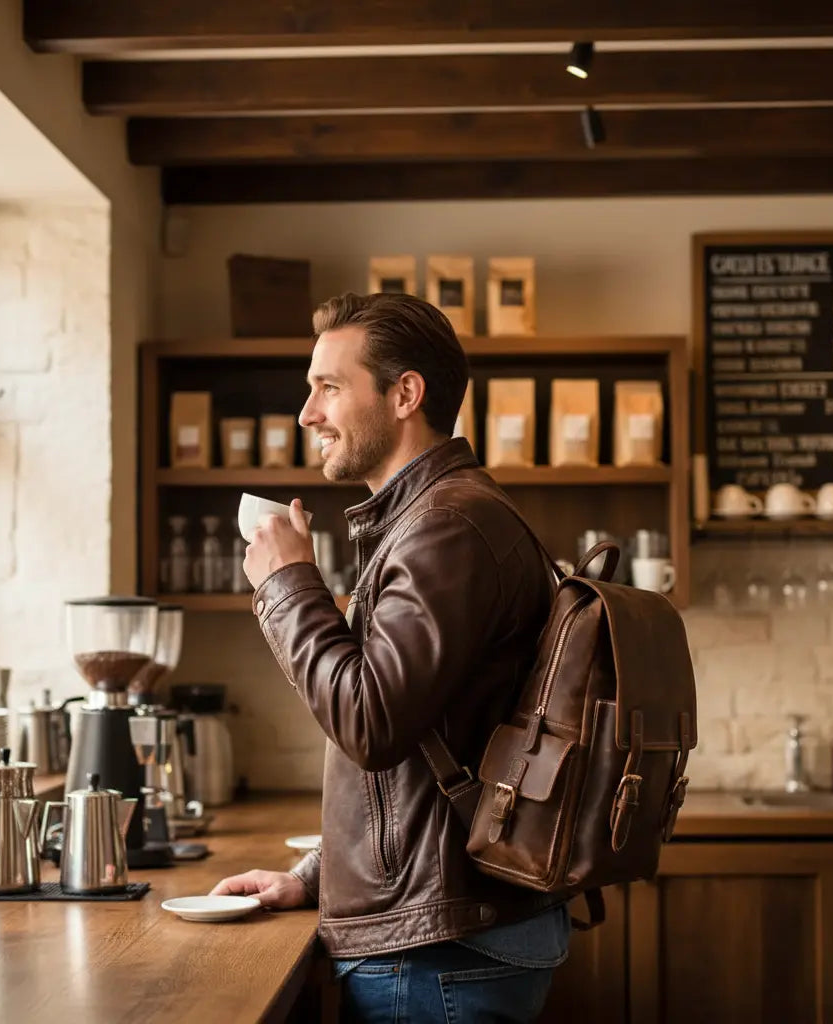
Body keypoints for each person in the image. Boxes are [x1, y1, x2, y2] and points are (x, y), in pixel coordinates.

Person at [212, 292, 569, 1023]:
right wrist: (316, 875)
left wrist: (286, 584)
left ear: (406, 393)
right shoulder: (437, 518)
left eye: (329, 388)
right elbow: (428, 754)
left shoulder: (447, 527)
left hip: (441, 954)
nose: (308, 413)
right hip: (447, 936)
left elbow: (372, 722)